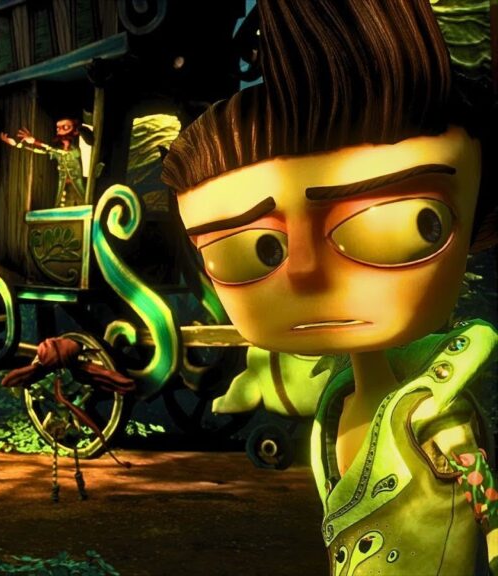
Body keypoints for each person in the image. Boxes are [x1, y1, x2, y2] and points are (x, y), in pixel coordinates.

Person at [162, 0, 496, 573]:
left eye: (399, 223)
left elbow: (479, 487)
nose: (305, 273)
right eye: (248, 250)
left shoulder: (434, 410)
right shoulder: (332, 403)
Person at [2, 118, 88, 207]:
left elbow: (54, 150)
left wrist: (34, 141)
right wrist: (16, 144)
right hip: (64, 189)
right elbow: (40, 150)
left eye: (65, 127)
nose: (60, 130)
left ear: (75, 131)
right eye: (58, 128)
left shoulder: (75, 150)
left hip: (78, 188)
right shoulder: (58, 151)